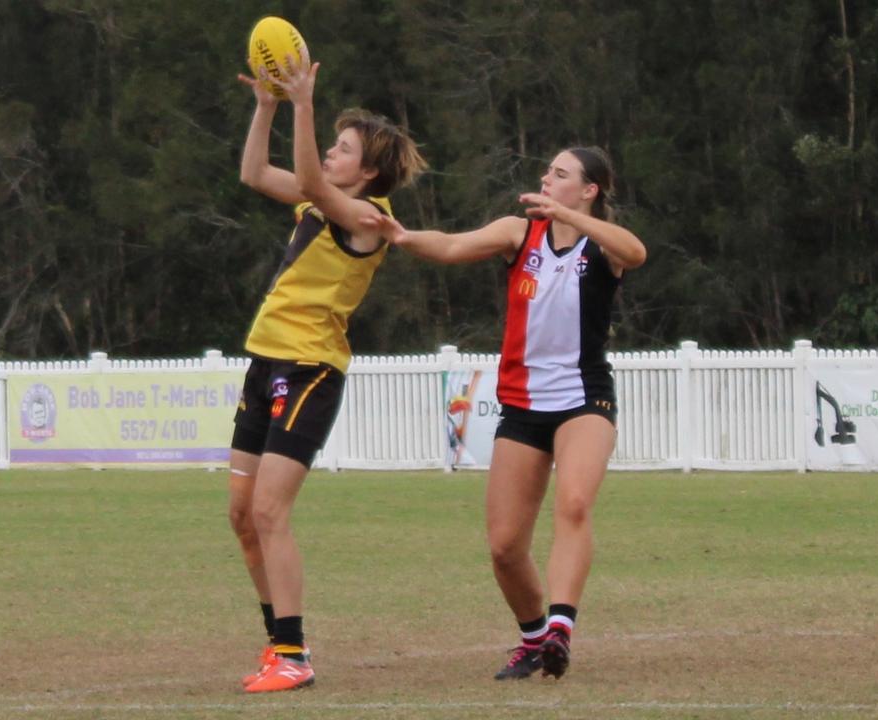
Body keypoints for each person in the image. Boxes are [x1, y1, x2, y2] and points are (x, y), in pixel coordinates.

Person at [362, 147, 645, 680]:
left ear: (590, 191)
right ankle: (535, 637)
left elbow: (635, 250)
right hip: (522, 404)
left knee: (575, 503)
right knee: (504, 546)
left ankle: (561, 625)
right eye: (548, 172)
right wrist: (400, 236)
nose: (546, 178)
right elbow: (450, 246)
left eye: (560, 174)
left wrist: (569, 217)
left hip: (584, 399)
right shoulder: (519, 234)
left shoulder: (601, 245)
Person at [229, 50, 426, 693]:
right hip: (266, 359)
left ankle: (293, 655)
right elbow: (256, 172)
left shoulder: (369, 218)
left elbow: (312, 182)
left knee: (269, 511)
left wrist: (305, 104)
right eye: (332, 146)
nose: (332, 157)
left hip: (309, 369)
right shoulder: (322, 202)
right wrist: (266, 106)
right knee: (241, 514)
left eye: (344, 149)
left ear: (368, 171)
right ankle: (278, 644)